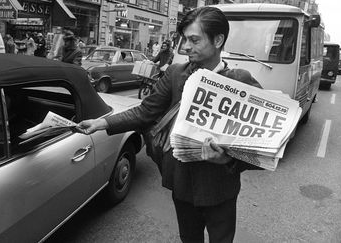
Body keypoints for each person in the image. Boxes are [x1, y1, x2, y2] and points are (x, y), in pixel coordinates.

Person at [77, 6, 263, 243]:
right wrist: (102, 122)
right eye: (184, 39)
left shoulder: (241, 81)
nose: (185, 46)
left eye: (194, 40)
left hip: (220, 188)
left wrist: (228, 159)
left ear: (218, 40)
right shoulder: (176, 74)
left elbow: (258, 141)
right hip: (182, 184)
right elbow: (145, 111)